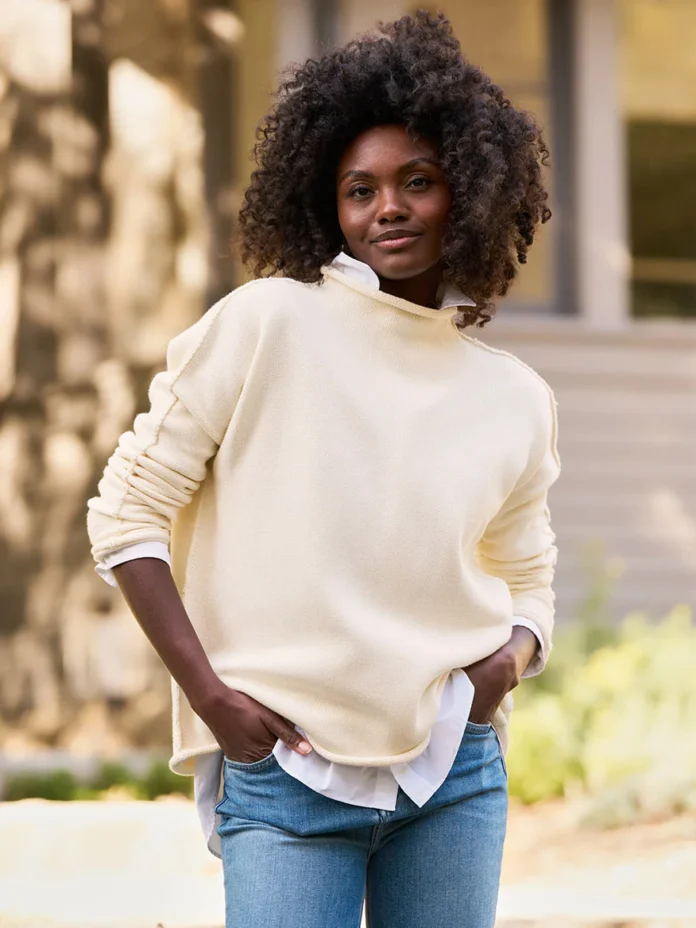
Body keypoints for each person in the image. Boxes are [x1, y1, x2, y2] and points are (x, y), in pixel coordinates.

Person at [87, 10, 560, 928]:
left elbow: (527, 569)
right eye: (359, 189)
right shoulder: (266, 323)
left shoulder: (514, 395)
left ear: (468, 190)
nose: (388, 207)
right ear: (326, 205)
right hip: (285, 771)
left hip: (452, 775)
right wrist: (213, 699)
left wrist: (507, 663)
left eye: (416, 182)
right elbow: (124, 514)